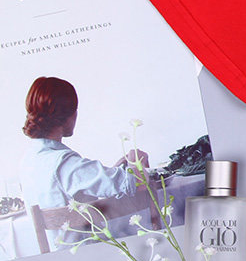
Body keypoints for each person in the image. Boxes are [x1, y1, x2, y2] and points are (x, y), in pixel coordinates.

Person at [19, 76, 149, 249]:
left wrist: (114, 169)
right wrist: (135, 160)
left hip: (58, 257)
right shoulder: (65, 164)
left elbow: (69, 190)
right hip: (91, 253)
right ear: (68, 115)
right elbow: (137, 183)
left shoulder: (28, 161)